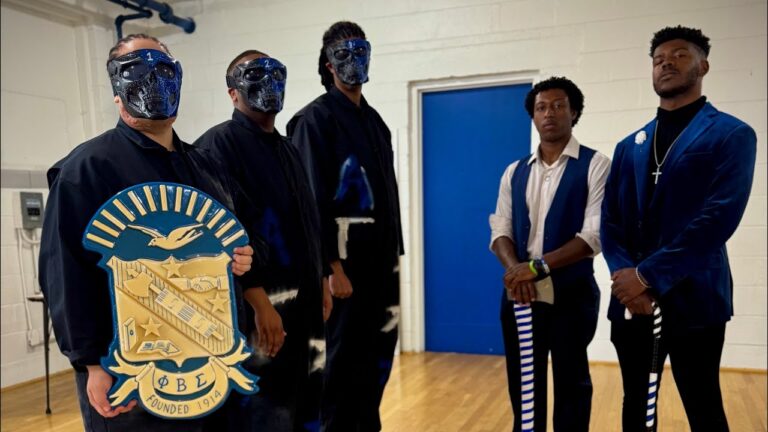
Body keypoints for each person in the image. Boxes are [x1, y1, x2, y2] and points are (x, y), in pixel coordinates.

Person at [38, 34, 261, 432]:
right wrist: (92, 364)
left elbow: (241, 240)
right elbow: (65, 274)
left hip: (209, 363)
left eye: (164, 70)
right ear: (116, 89)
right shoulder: (86, 169)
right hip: (129, 368)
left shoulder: (207, 167)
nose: (153, 80)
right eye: (137, 69)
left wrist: (243, 257)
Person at [601, 25, 756, 432]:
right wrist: (625, 277)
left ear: (703, 66)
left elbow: (719, 218)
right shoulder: (629, 145)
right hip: (631, 301)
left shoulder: (732, 134)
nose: (666, 63)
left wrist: (645, 276)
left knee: (703, 405)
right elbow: (610, 220)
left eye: (679, 55)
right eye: (658, 59)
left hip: (695, 297)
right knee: (636, 405)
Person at [194, 49, 328, 431]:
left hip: (304, 307)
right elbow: (223, 237)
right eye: (254, 75)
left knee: (306, 406)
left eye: (276, 74)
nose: (268, 83)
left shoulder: (287, 148)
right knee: (266, 412)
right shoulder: (217, 146)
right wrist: (258, 302)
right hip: (260, 310)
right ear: (232, 93)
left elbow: (307, 221)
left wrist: (321, 280)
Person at [287, 20, 404, 432]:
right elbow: (310, 202)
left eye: (361, 51)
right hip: (342, 269)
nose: (354, 61)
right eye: (343, 53)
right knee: (338, 366)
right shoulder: (313, 121)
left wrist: (395, 256)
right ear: (328, 64)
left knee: (377, 357)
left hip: (382, 264)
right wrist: (330, 267)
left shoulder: (376, 122)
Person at [489, 76, 611, 432]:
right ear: (533, 116)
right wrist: (517, 271)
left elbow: (593, 236)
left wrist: (537, 267)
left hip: (571, 293)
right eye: (541, 107)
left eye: (559, 106)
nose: (549, 113)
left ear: (574, 113)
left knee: (572, 383)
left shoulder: (596, 165)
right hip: (521, 294)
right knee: (524, 384)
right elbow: (500, 229)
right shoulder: (514, 171)